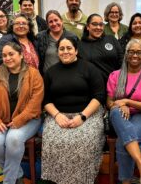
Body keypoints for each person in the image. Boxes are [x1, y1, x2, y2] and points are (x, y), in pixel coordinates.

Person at [41, 36, 105, 184]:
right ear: (57, 52)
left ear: (76, 50)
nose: (65, 52)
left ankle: (83, 180)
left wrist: (82, 117)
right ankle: (59, 180)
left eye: (69, 48)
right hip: (58, 115)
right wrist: (57, 116)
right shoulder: (50, 72)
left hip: (88, 114)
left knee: (83, 141)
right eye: (61, 49)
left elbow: (99, 96)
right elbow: (46, 100)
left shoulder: (89, 68)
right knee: (54, 140)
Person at [0, 42, 44, 184]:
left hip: (28, 120)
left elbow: (35, 103)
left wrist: (20, 119)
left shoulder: (33, 74)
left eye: (11, 54)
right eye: (4, 55)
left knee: (13, 139)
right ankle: (18, 173)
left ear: (21, 55)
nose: (7, 58)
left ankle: (9, 181)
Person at [106, 39, 141, 184]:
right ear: (126, 54)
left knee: (123, 140)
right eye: (131, 52)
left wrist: (127, 102)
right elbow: (109, 102)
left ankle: (126, 182)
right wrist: (120, 105)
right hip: (120, 116)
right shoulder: (115, 75)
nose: (135, 55)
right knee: (116, 111)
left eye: (138, 52)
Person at [78, 13, 123, 85]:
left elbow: (122, 60)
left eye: (101, 24)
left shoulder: (111, 39)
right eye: (94, 24)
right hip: (93, 87)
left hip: (115, 84)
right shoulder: (80, 45)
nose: (98, 27)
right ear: (87, 27)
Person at [37, 10, 77, 75]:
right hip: (47, 77)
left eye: (56, 20)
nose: (54, 24)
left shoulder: (72, 36)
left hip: (68, 75)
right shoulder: (40, 37)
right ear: (47, 24)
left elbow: (77, 57)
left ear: (61, 21)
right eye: (51, 22)